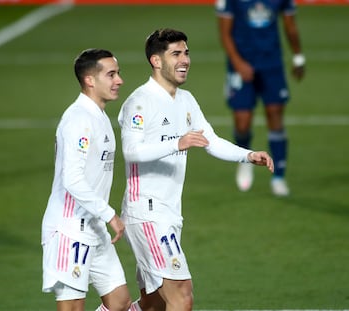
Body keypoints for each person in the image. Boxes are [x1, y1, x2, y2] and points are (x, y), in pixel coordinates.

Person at [118, 28, 274, 311]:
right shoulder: (139, 102)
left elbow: (210, 140)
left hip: (169, 213)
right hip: (147, 213)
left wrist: (248, 155)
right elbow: (131, 150)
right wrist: (177, 143)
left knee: (153, 305)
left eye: (186, 53)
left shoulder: (186, 100)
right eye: (176, 54)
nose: (185, 60)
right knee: (182, 295)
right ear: (156, 61)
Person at [41, 48, 133, 311]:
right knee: (72, 306)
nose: (119, 80)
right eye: (112, 74)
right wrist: (109, 214)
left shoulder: (98, 116)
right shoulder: (79, 119)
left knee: (119, 302)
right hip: (70, 228)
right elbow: (72, 179)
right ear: (90, 80)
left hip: (93, 226)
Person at [215, 0, 305, 196]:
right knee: (242, 123)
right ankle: (245, 157)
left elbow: (290, 24)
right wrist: (238, 63)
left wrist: (298, 56)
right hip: (241, 65)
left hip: (272, 65)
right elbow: (224, 33)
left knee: (275, 117)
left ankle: (279, 176)